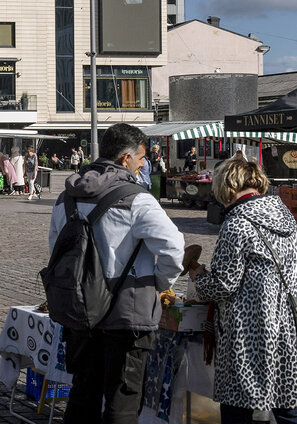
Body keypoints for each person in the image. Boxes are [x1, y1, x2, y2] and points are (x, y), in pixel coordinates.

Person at [47, 123, 185, 423]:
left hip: (79, 311)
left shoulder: (66, 197)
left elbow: (55, 250)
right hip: (127, 314)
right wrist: (160, 283)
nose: (143, 164)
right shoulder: (137, 199)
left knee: (83, 393)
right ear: (126, 159)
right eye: (141, 158)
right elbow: (174, 248)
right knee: (122, 401)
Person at [189, 158, 297, 424]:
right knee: (288, 404)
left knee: (237, 407)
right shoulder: (283, 215)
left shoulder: (237, 224)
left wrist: (199, 277)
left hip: (249, 330)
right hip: (286, 324)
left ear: (227, 186)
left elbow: (223, 284)